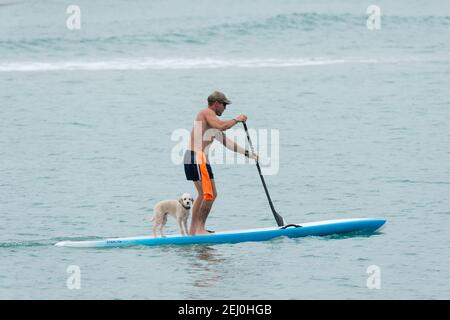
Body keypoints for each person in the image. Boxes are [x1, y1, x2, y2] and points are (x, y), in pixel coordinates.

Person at [184, 91, 257, 235]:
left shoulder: (211, 124)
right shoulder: (206, 112)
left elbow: (228, 143)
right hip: (196, 157)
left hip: (196, 158)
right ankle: (199, 230)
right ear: (216, 103)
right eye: (224, 105)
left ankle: (194, 231)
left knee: (204, 194)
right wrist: (237, 119)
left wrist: (248, 154)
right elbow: (222, 126)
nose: (225, 108)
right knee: (208, 195)